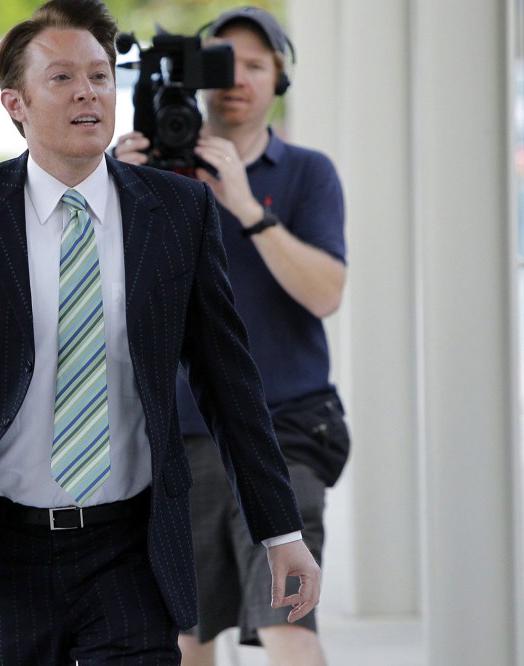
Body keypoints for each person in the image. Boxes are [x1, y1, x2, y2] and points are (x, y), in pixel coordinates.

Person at [0, 1, 320, 664]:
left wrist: (280, 530)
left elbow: (229, 382)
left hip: (131, 547)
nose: (87, 90)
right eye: (61, 78)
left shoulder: (178, 210)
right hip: (1, 550)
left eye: (101, 76)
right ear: (14, 104)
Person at [113, 7, 349, 665]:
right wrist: (113, 195)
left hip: (286, 430)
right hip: (180, 436)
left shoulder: (306, 174)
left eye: (255, 64)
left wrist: (245, 207)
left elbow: (326, 292)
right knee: (183, 636)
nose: (236, 80)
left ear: (280, 79)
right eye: (220, 64)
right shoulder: (149, 179)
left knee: (287, 617)